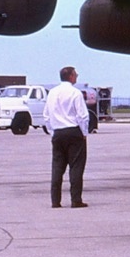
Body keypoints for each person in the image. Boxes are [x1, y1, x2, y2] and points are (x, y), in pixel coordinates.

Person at [44, 65, 91, 208]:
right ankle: (76, 199)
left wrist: (53, 131)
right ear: (70, 76)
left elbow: (46, 116)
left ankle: (55, 200)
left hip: (58, 133)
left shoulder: (52, 93)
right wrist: (84, 133)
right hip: (73, 132)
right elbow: (82, 116)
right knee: (76, 167)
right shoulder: (75, 93)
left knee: (57, 167)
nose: (77, 76)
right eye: (75, 74)